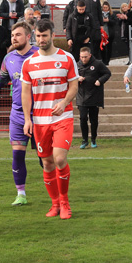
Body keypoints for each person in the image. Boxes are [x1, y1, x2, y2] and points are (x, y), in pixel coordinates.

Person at [21, 19, 79, 220]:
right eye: (38, 36)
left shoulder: (67, 58)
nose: (41, 39)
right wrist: (27, 119)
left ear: (53, 35)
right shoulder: (29, 63)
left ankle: (64, 202)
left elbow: (74, 86)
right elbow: (26, 93)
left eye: (44, 35)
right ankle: (54, 204)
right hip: (39, 120)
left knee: (60, 158)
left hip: (63, 116)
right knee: (47, 163)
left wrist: (63, 103)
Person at [0, 22, 38, 205]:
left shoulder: (39, 55)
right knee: (17, 154)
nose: (14, 38)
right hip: (18, 114)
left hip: (40, 114)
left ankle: (56, 193)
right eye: (13, 35)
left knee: (46, 158)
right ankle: (20, 194)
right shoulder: (9, 58)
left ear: (28, 37)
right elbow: (1, 80)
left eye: (18, 35)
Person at [76, 47, 111, 149]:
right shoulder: (77, 65)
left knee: (93, 119)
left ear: (90, 56)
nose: (83, 59)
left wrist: (100, 81)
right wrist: (78, 78)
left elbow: (107, 73)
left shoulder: (98, 64)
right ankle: (84, 140)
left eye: (85, 57)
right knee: (83, 118)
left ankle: (93, 139)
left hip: (94, 95)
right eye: (82, 57)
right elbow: (72, 76)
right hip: (81, 95)